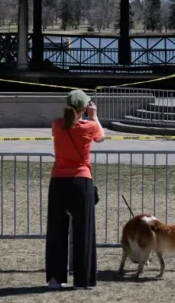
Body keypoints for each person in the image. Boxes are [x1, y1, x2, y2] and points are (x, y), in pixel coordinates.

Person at [45, 89, 105, 290]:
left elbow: (66, 125)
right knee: (83, 232)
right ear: (84, 108)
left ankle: (55, 278)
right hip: (81, 180)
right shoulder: (89, 126)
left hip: (58, 181)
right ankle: (82, 280)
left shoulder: (56, 125)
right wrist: (94, 116)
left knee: (56, 231)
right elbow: (101, 137)